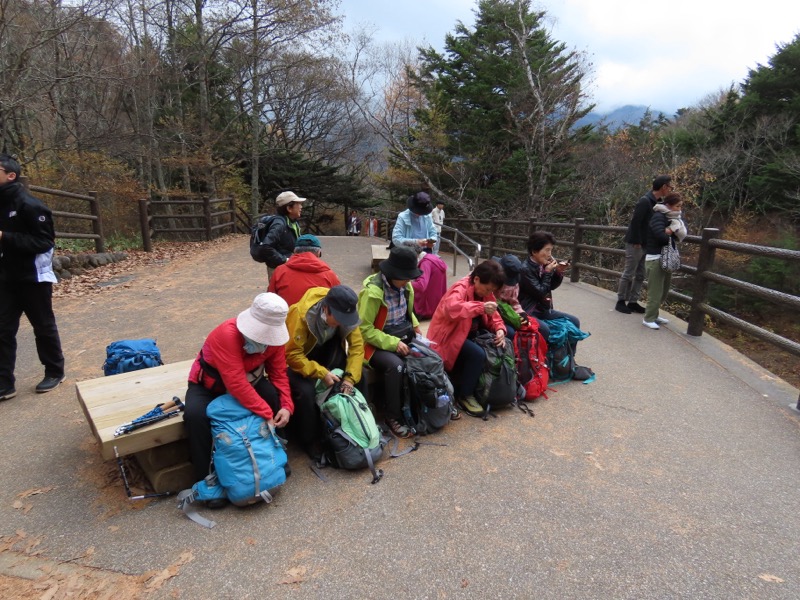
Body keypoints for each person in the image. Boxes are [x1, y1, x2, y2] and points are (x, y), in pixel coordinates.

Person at [183, 293, 293, 485]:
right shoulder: (226, 334)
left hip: (250, 379)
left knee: (272, 397)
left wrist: (286, 406)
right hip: (209, 385)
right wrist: (265, 413)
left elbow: (279, 373)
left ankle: (276, 457)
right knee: (194, 415)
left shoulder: (275, 343)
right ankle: (205, 477)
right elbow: (235, 383)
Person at [0, 154, 65, 400]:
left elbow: (44, 242)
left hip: (34, 277)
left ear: (10, 175)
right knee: (2, 329)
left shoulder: (30, 205)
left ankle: (54, 371)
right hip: (6, 277)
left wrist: (5, 237)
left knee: (43, 326)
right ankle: (5, 383)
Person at [284, 285, 365, 458]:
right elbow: (292, 355)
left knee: (361, 376)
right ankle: (310, 439)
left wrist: (350, 378)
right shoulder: (300, 315)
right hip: (303, 361)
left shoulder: (345, 313)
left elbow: (357, 347)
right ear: (326, 309)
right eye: (339, 318)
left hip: (330, 353)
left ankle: (358, 425)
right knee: (306, 393)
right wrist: (321, 372)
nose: (343, 323)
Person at [357, 245, 424, 438]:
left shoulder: (406, 287)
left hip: (402, 334)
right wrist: (393, 343)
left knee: (427, 356)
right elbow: (364, 329)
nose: (409, 280)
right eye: (406, 276)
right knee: (396, 366)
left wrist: (417, 327)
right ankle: (392, 416)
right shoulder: (373, 292)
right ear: (394, 273)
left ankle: (421, 408)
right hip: (375, 343)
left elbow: (408, 314)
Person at [427, 260, 507, 416]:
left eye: (491, 290)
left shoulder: (485, 290)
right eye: (487, 288)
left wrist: (500, 329)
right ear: (476, 279)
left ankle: (490, 390)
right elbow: (452, 309)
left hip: (468, 333)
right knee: (477, 354)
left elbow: (494, 314)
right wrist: (480, 307)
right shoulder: (460, 288)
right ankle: (465, 396)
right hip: (448, 337)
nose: (488, 292)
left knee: (503, 340)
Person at [615, 175, 673, 314]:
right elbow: (636, 221)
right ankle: (621, 301)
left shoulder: (659, 203)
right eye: (670, 186)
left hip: (647, 243)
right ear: (664, 187)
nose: (670, 189)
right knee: (629, 272)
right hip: (636, 243)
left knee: (641, 274)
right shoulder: (645, 201)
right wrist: (636, 241)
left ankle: (633, 301)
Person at [518, 231, 579, 345]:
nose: (549, 254)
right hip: (530, 311)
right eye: (547, 250)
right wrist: (547, 272)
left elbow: (551, 287)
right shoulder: (525, 269)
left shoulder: (543, 264)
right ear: (534, 251)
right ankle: (544, 360)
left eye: (551, 250)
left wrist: (558, 272)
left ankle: (570, 361)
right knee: (545, 329)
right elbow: (540, 292)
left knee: (574, 321)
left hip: (544, 309)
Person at [642, 193, 686, 330]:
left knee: (664, 290)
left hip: (664, 258)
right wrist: (670, 232)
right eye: (677, 206)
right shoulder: (658, 216)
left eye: (680, 206)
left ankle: (654, 314)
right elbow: (660, 236)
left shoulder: (670, 217)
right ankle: (648, 318)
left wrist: (670, 231)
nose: (679, 209)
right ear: (669, 205)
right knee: (655, 291)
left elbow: (669, 234)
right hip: (655, 258)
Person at [267, 234, 340, 306]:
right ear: (318, 253)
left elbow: (270, 300)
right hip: (317, 317)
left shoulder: (279, 271)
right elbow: (338, 303)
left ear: (295, 252)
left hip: (287, 316)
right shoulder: (330, 275)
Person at [259, 190, 307, 278]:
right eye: (298, 204)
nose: (301, 207)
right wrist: (285, 259)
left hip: (286, 267)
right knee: (279, 291)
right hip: (279, 269)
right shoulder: (279, 224)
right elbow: (265, 246)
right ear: (289, 208)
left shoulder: (292, 222)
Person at [493, 254, 529, 339]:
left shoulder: (514, 284)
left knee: (523, 327)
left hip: (504, 313)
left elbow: (514, 302)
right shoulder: (490, 276)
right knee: (510, 332)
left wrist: (521, 313)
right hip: (489, 313)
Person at [411, 248, 448, 320]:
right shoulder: (432, 257)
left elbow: (421, 285)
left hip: (425, 308)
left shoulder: (426, 263)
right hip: (436, 306)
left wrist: (405, 282)